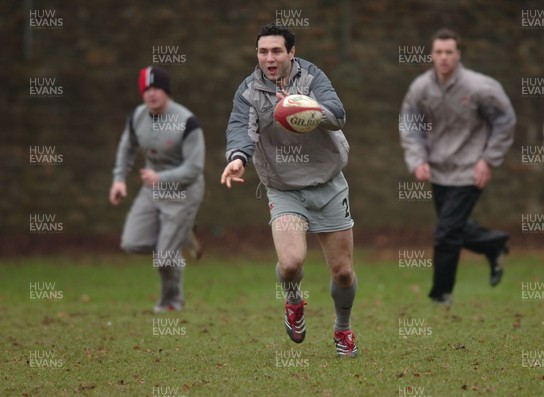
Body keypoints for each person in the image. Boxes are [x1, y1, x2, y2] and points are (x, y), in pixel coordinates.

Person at [221, 23, 358, 357]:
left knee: (342, 272)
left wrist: (305, 107)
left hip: (328, 185)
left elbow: (338, 115)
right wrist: (238, 158)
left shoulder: (312, 78)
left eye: (277, 51)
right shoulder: (249, 91)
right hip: (284, 189)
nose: (269, 58)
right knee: (292, 263)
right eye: (263, 51)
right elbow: (240, 128)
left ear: (291, 53)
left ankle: (342, 329)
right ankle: (294, 301)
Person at [399, 29, 516, 304]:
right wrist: (417, 160)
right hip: (438, 171)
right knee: (454, 228)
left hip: (469, 170)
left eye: (449, 52)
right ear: (431, 54)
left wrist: (488, 159)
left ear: (458, 54)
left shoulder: (480, 87)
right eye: (438, 52)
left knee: (446, 232)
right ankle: (494, 243)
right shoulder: (421, 88)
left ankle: (441, 294)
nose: (443, 57)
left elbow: (505, 121)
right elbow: (409, 124)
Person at [109, 66, 205, 312]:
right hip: (152, 189)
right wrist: (119, 179)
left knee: (164, 257)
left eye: (157, 88)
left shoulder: (187, 121)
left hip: (183, 191)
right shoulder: (137, 116)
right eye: (146, 89)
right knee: (131, 242)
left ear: (167, 91)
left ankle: (171, 302)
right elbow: (127, 147)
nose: (151, 94)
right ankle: (181, 236)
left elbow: (195, 167)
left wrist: (161, 177)